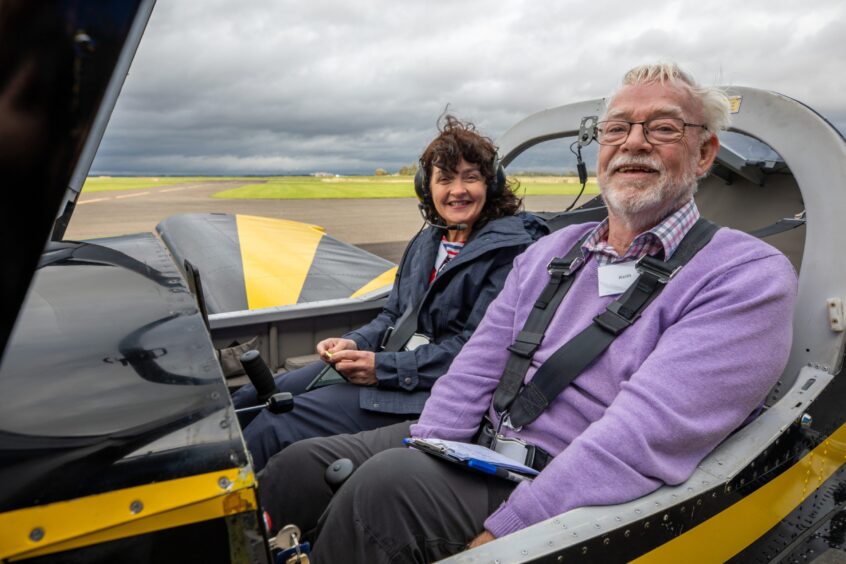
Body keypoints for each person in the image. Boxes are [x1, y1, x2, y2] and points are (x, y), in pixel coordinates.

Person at [257, 62, 798, 563]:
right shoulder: (548, 253)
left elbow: (643, 435)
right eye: (616, 129)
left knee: (383, 492)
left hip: (568, 483)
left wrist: (515, 526)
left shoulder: (745, 275)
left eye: (663, 128)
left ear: (704, 153)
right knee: (296, 468)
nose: (634, 142)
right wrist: (429, 444)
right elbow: (476, 366)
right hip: (481, 446)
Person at [231, 115, 547, 470]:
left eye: (470, 177)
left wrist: (383, 368)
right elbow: (393, 315)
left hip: (431, 390)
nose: (457, 190)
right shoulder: (428, 240)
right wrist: (353, 342)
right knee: (252, 396)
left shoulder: (511, 252)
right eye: (445, 179)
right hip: (393, 367)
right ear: (428, 188)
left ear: (490, 185)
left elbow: (474, 352)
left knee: (277, 424)